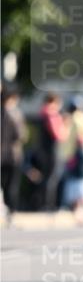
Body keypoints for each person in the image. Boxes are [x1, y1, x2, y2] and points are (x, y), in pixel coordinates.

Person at [1, 86, 27, 222]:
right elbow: (21, 135)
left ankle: (7, 210)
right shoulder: (15, 114)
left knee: (6, 185)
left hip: (4, 155)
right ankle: (11, 212)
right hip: (12, 155)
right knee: (12, 185)